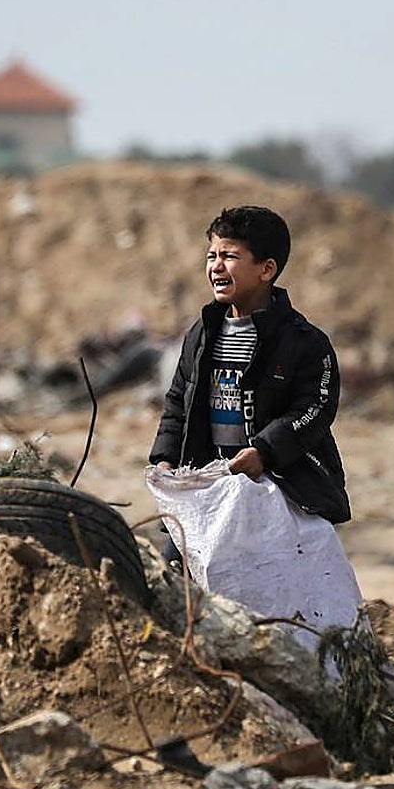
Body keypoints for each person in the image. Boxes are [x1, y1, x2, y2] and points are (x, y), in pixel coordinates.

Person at [149, 205, 350, 564]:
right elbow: (178, 401)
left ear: (266, 269)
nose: (215, 266)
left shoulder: (304, 342)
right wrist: (165, 460)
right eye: (211, 256)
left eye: (229, 256)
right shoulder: (201, 334)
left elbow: (315, 410)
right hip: (209, 488)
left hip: (278, 488)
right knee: (175, 576)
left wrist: (265, 452)